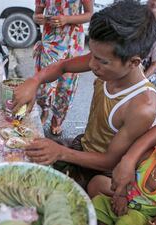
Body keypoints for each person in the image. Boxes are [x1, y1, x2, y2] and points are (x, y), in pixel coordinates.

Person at [13, 0, 156, 188]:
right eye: (92, 55)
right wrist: (34, 81)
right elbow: (63, 65)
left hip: (101, 172)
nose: (91, 65)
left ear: (133, 62)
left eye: (101, 61)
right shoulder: (108, 59)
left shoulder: (141, 107)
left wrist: (61, 152)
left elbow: (109, 161)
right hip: (82, 146)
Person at [33, 0, 93, 136]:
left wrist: (67, 19)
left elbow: (90, 15)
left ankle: (57, 120)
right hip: (49, 42)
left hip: (72, 42)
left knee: (65, 87)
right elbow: (36, 14)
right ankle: (45, 111)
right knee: (43, 85)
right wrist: (38, 18)